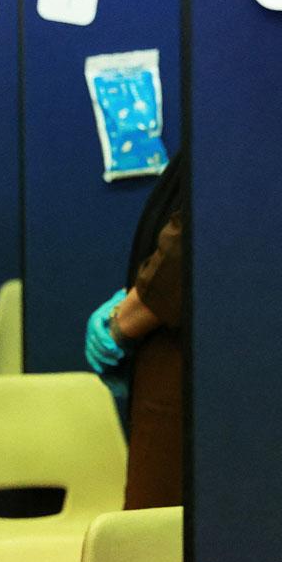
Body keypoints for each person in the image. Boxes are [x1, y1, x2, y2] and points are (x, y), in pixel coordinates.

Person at [84, 149, 187, 510]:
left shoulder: (229, 123)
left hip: (180, 374)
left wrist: (121, 323)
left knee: (162, 546)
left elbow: (188, 243)